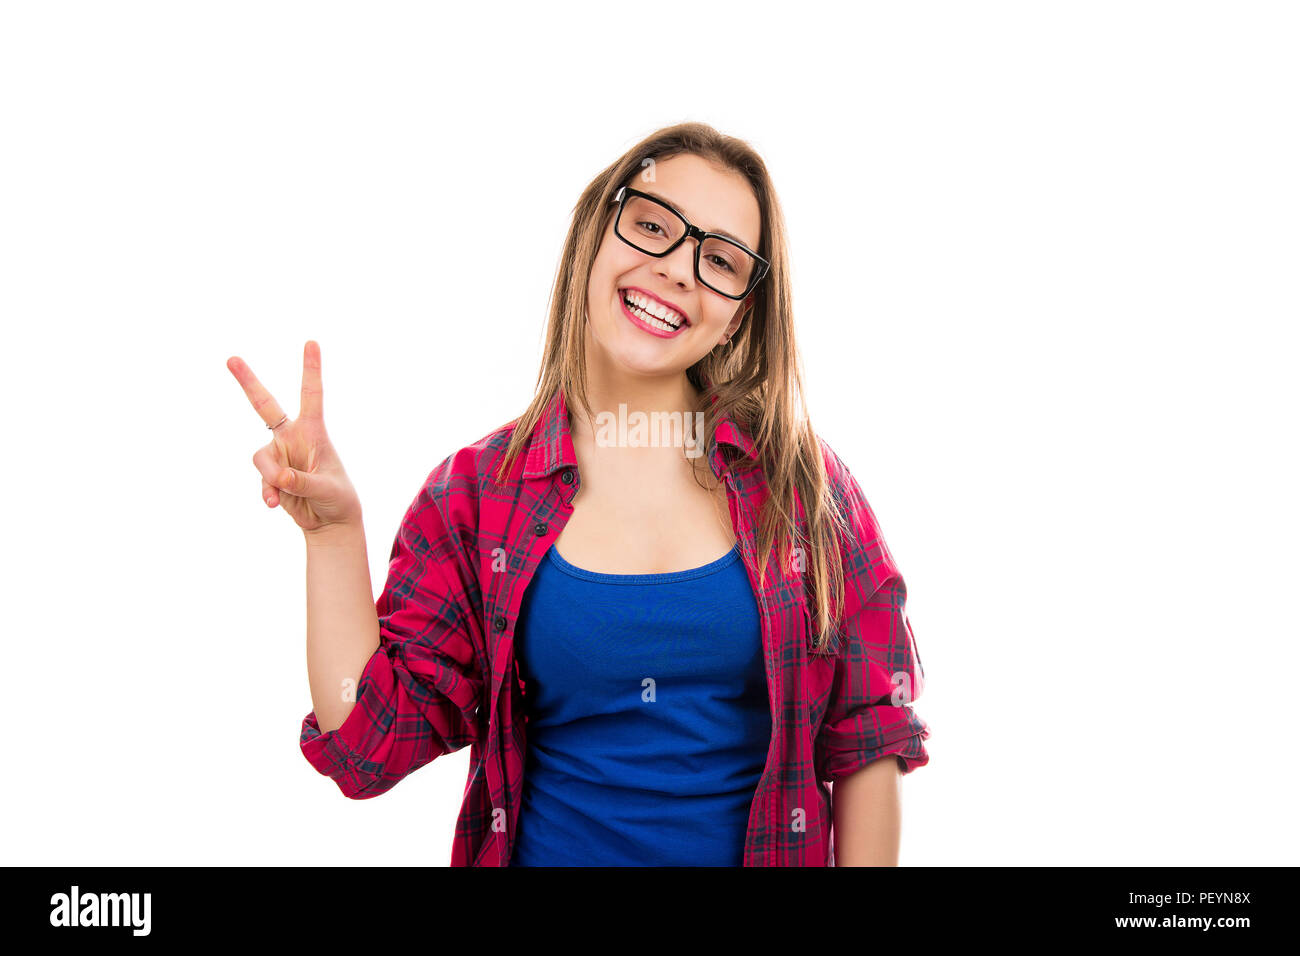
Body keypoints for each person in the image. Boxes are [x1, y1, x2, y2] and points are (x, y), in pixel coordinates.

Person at [226, 121, 931, 866]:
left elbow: (868, 743)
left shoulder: (805, 491)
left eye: (720, 260)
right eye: (653, 225)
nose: (679, 270)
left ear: (738, 317)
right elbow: (368, 750)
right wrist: (333, 536)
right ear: (597, 233)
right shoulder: (475, 496)